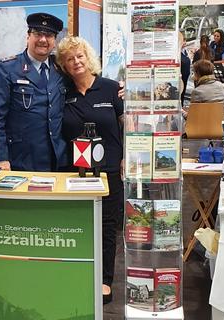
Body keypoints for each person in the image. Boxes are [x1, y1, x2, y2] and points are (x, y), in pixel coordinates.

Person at [56, 36, 124, 304]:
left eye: (80, 56)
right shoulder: (63, 93)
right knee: (78, 226)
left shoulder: (110, 88)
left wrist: (127, 156)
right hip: (77, 173)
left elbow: (126, 122)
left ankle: (105, 280)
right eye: (70, 59)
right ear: (64, 65)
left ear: (89, 57)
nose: (76, 62)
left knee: (107, 226)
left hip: (109, 171)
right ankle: (80, 271)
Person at [0, 13, 67, 172]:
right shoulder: (7, 69)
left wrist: (116, 89)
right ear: (28, 36)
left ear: (54, 41)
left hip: (58, 161)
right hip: (21, 161)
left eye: (49, 35)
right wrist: (1, 157)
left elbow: (86, 82)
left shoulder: (61, 69)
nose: (43, 39)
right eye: (38, 33)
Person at [180, 31, 191, 105]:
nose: (184, 42)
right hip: (180, 77)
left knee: (183, 94)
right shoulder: (177, 52)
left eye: (184, 40)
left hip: (185, 76)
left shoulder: (185, 51)